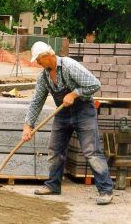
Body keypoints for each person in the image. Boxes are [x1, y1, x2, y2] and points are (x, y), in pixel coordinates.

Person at [22, 41, 113, 205]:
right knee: (55, 150)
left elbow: (95, 84)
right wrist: (28, 125)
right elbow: (36, 102)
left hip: (83, 110)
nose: (37, 63)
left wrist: (75, 93)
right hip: (62, 113)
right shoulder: (44, 77)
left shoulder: (69, 66)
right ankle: (53, 185)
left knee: (91, 151)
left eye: (39, 59)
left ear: (48, 56)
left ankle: (106, 190)